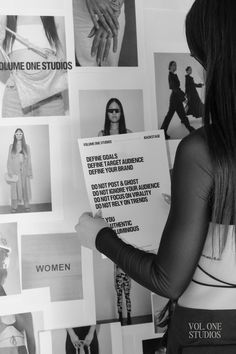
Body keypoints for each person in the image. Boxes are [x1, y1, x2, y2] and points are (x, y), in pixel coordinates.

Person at [76, 0, 236, 352]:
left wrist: (98, 236)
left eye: (201, 60)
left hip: (207, 333)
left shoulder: (202, 150)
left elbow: (167, 280)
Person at [0, 15, 66, 117]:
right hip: (16, 96)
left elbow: (63, 60)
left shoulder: (55, 12)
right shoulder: (5, 14)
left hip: (51, 96)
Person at [73, 0, 125, 66]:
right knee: (87, 60)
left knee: (111, 62)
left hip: (112, 3)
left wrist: (115, 8)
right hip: (79, 8)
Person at [161, 61, 195, 139]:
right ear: (170, 66)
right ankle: (191, 130)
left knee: (178, 115)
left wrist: (183, 95)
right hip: (175, 98)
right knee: (174, 116)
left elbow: (177, 88)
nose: (175, 66)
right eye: (173, 65)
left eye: (176, 65)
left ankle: (190, 130)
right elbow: (175, 88)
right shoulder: (171, 75)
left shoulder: (173, 75)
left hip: (176, 97)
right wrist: (183, 98)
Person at [7, 128, 32, 213]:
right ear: (15, 135)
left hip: (24, 171)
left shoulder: (26, 147)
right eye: (17, 134)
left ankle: (27, 205)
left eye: (20, 134)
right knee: (14, 189)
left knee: (25, 188)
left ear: (23, 135)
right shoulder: (11, 146)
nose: (19, 135)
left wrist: (29, 171)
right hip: (15, 171)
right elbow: (9, 159)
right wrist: (10, 171)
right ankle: (14, 206)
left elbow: (29, 160)